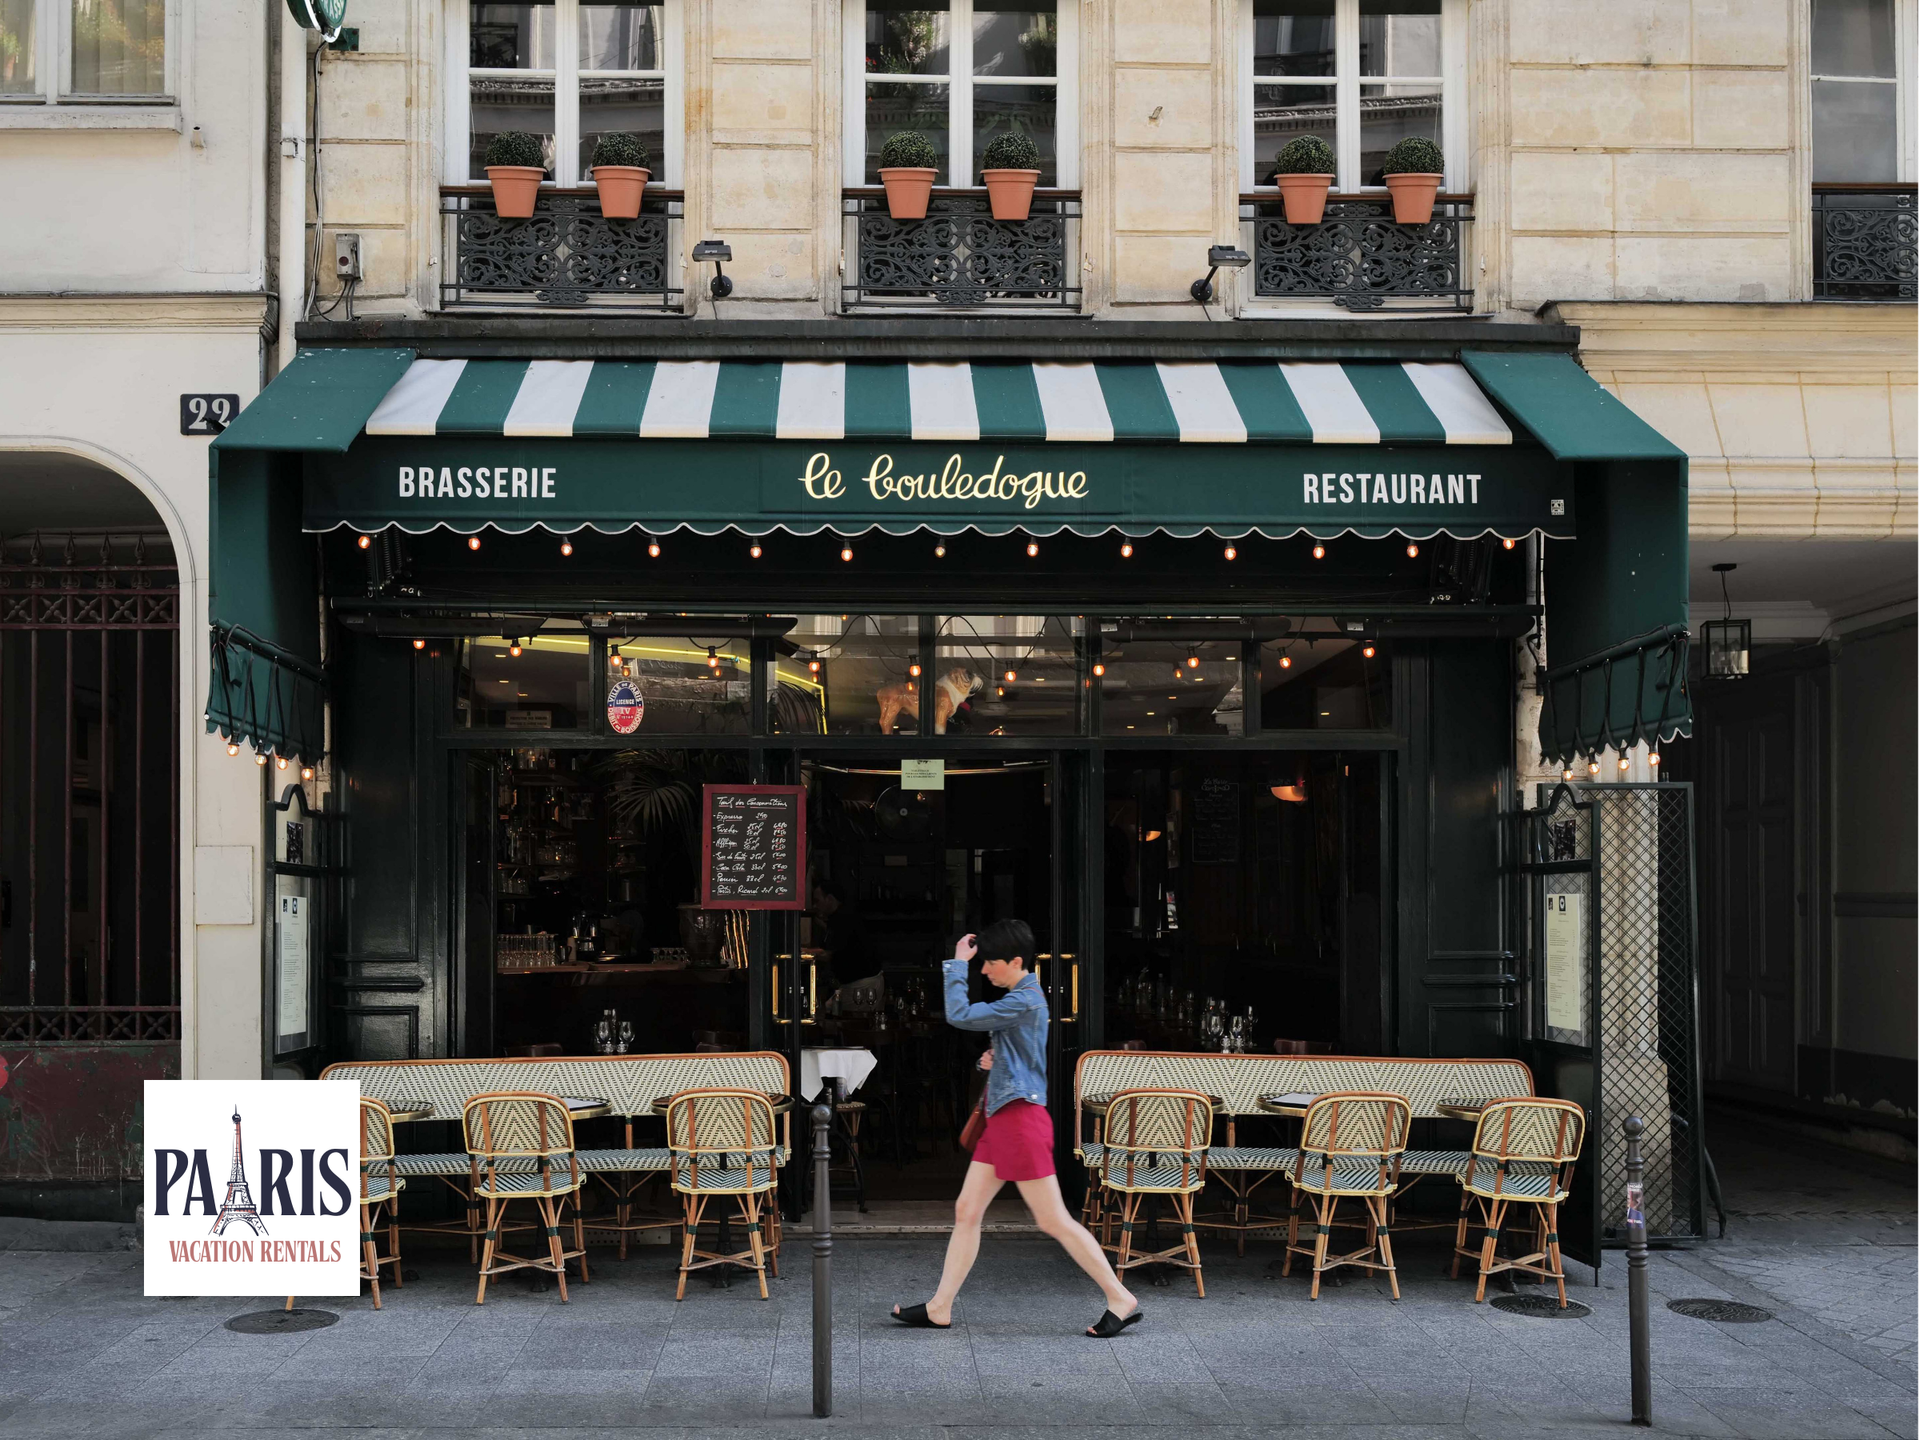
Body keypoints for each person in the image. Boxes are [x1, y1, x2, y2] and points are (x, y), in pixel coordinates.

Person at [890, 920, 1142, 1338]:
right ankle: (939, 1306)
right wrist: (990, 1060)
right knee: (967, 1211)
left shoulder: (1024, 1000)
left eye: (990, 963)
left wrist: (957, 964)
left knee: (1054, 1220)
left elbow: (959, 1015)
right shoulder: (1020, 999)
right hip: (1005, 1117)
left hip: (1020, 1121)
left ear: (1016, 962)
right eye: (981, 963)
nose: (984, 970)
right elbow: (1010, 1056)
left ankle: (1120, 1297)